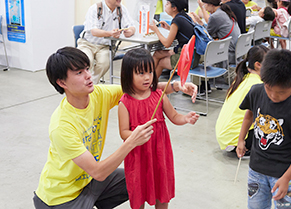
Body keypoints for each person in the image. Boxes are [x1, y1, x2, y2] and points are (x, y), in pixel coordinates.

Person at [33, 47, 198, 209]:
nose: (88, 76)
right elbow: (98, 172)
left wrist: (177, 86)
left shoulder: (98, 94)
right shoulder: (62, 126)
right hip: (61, 197)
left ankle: (95, 201)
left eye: (87, 69)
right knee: (131, 180)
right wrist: (132, 141)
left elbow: (140, 89)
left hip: (89, 180)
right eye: (79, 73)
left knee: (136, 179)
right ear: (62, 82)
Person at [118, 48, 199, 209]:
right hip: (138, 154)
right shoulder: (125, 103)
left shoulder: (158, 94)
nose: (147, 77)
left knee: (162, 187)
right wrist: (137, 133)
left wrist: (185, 118)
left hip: (160, 152)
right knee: (138, 189)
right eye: (141, 73)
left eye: (149, 71)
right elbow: (123, 132)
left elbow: (174, 117)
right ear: (128, 75)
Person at [236, 49, 291, 208]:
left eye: (281, 92)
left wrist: (287, 178)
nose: (273, 96)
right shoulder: (256, 91)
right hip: (256, 170)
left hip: (283, 174)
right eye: (268, 88)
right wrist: (241, 140)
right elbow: (249, 113)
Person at [215, 45, 269, 154]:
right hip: (238, 140)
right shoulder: (258, 85)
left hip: (224, 136)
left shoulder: (241, 78)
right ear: (258, 65)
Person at [77, 0, 136, 84]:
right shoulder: (95, 9)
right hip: (87, 44)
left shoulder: (121, 9)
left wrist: (130, 31)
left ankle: (91, 84)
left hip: (106, 46)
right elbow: (94, 31)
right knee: (86, 61)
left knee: (104, 63)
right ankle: (82, 86)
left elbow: (131, 26)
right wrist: (110, 33)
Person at [149, 0, 201, 77]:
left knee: (161, 63)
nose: (165, 6)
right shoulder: (184, 16)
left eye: (167, 4)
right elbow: (183, 33)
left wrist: (156, 30)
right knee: (158, 53)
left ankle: (152, 85)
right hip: (193, 55)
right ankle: (150, 80)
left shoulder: (176, 20)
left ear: (174, 8)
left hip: (187, 59)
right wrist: (169, 28)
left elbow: (167, 44)